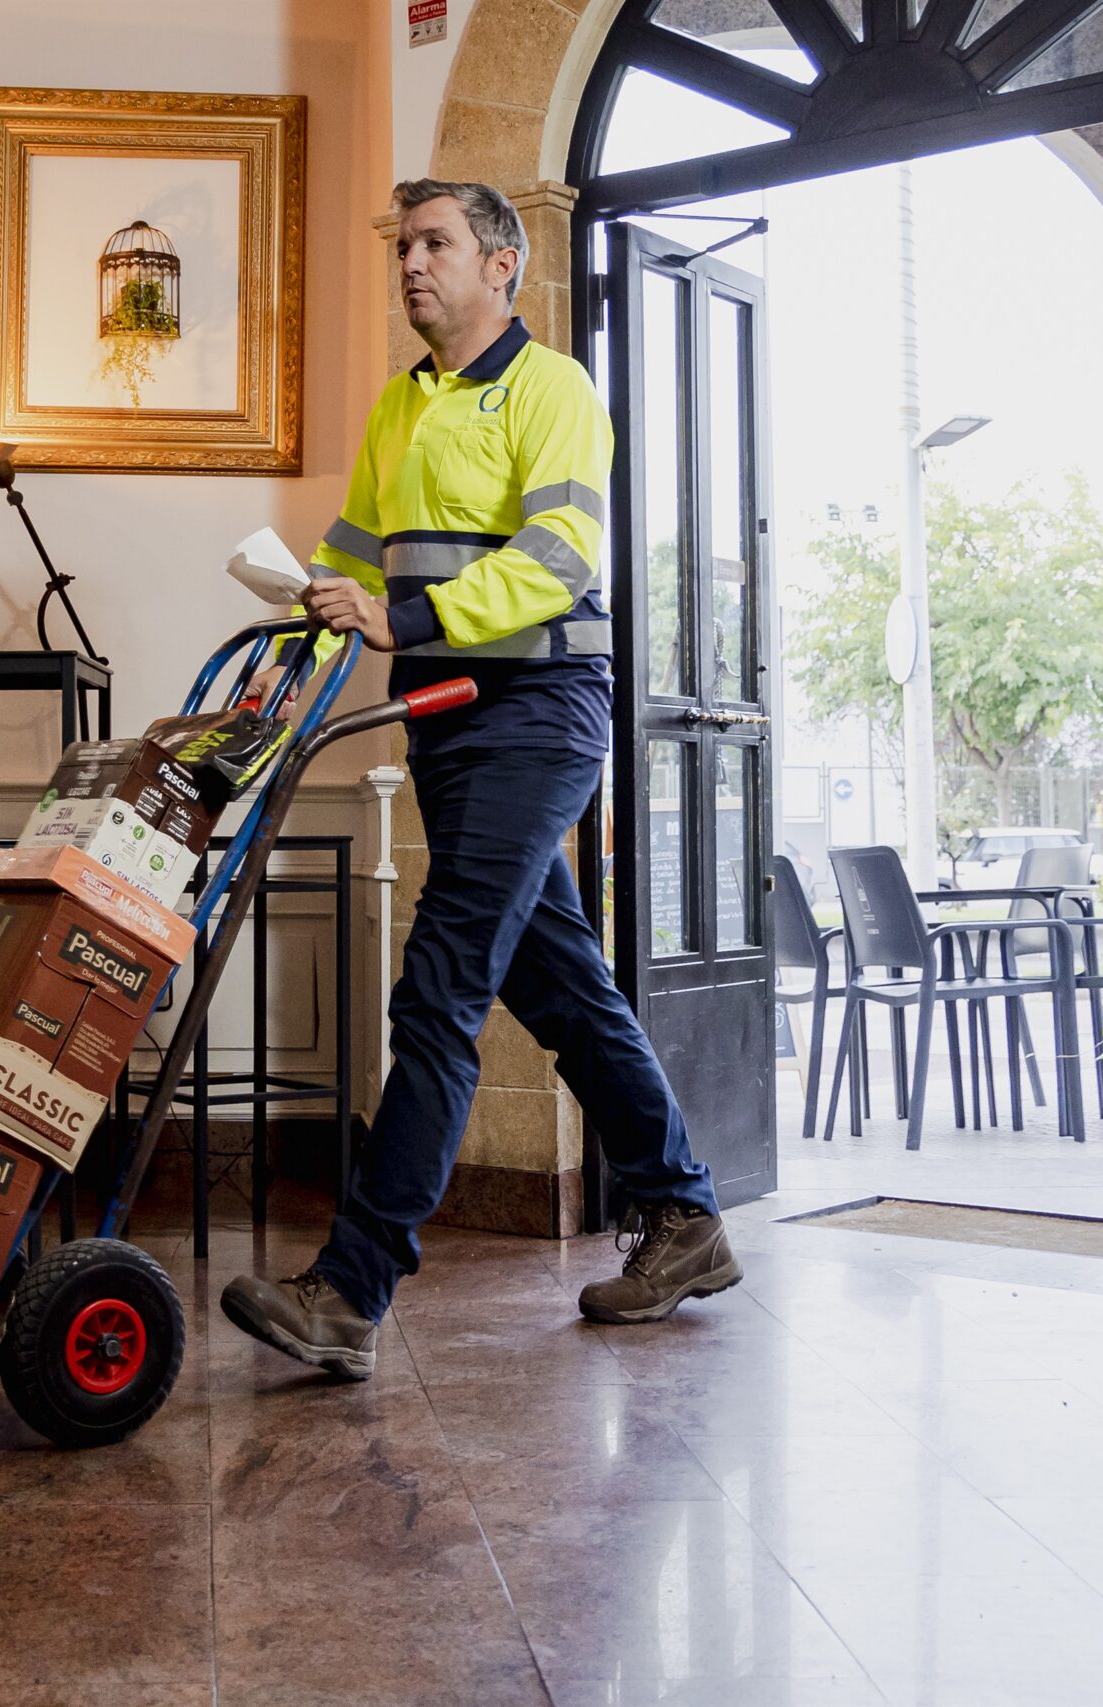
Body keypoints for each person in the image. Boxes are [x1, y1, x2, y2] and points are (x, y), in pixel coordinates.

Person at [220, 179, 738, 1380]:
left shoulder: (551, 388)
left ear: (501, 264)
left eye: (435, 243)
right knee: (557, 986)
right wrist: (299, 622)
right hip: (449, 720)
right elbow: (355, 555)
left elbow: (559, 559)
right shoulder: (401, 404)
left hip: (538, 712)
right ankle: (683, 1212)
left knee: (440, 989)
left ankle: (351, 1288)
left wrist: (401, 619)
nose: (410, 262)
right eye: (402, 245)